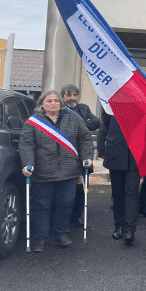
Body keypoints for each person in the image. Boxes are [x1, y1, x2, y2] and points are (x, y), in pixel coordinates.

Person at [19, 91, 93, 252]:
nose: (53, 104)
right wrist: (27, 163)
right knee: (41, 206)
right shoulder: (33, 122)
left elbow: (85, 138)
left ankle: (61, 234)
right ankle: (40, 239)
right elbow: (26, 145)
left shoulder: (74, 118)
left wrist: (87, 156)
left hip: (69, 172)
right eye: (49, 101)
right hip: (43, 172)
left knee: (65, 204)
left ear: (61, 103)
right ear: (42, 104)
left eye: (56, 101)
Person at [60, 84, 100, 229]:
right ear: (63, 97)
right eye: (69, 95)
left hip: (83, 156)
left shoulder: (83, 108)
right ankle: (63, 218)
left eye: (75, 95)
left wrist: (81, 125)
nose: (72, 98)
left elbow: (96, 122)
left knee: (82, 190)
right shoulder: (59, 110)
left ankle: (76, 217)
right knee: (66, 192)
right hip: (67, 156)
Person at [99, 110, 141, 244]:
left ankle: (130, 229)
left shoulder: (139, 100)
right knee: (117, 192)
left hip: (135, 153)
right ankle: (119, 225)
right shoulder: (110, 101)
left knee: (132, 191)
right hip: (116, 150)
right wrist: (101, 149)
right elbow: (105, 124)